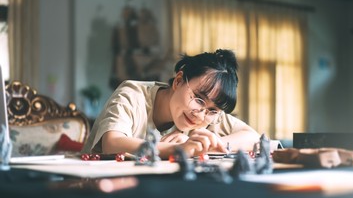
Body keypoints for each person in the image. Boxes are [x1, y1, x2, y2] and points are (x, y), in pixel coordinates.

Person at [82, 49, 261, 159]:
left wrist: (205, 143)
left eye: (212, 110)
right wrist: (180, 149)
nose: (200, 115)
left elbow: (254, 138)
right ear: (178, 81)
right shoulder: (132, 94)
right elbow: (112, 144)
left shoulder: (209, 115)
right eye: (198, 99)